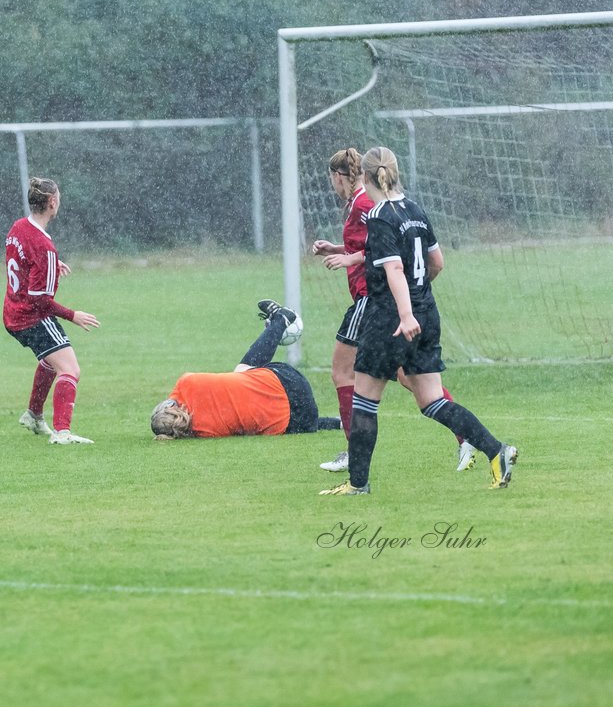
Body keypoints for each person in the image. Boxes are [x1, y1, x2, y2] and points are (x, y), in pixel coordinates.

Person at [320, 146, 517, 496]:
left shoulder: (380, 215)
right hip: (428, 313)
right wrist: (418, 300)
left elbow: (393, 268)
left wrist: (405, 312)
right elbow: (437, 262)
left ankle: (358, 485)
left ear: (365, 177)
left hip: (392, 319)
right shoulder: (416, 210)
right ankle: (496, 451)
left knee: (364, 398)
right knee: (432, 400)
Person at [150, 301, 341, 439]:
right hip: (290, 381)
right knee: (242, 372)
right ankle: (281, 320)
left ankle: (335, 422)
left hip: (301, 422)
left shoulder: (205, 432)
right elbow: (174, 397)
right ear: (170, 407)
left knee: (253, 417)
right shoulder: (187, 383)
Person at [4, 176, 101, 445]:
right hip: (30, 316)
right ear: (52, 202)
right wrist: (73, 315)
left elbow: (22, 260)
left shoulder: (18, 227)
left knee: (50, 359)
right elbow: (41, 301)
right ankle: (62, 432)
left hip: (12, 313)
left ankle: (33, 416)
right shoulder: (45, 246)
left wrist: (50, 267)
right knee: (70, 369)